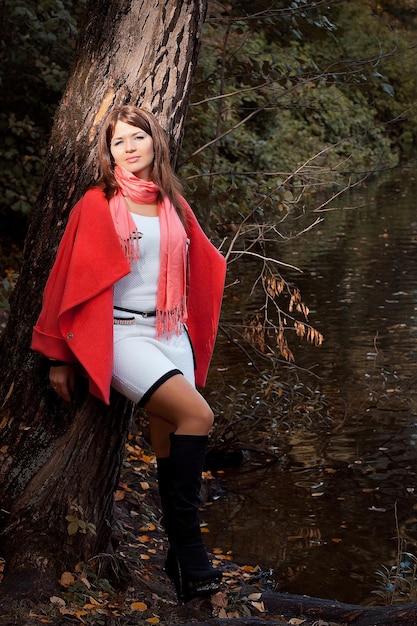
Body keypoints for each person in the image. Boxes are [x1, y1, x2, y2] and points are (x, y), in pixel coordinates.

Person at [31, 105, 226, 603]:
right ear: (109, 152)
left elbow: (200, 263)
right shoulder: (96, 205)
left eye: (139, 137)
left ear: (155, 142)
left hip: (170, 332)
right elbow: (64, 278)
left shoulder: (174, 203)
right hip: (121, 337)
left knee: (169, 440)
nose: (131, 147)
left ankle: (177, 562)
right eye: (120, 142)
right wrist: (57, 354)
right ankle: (191, 549)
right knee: (198, 415)